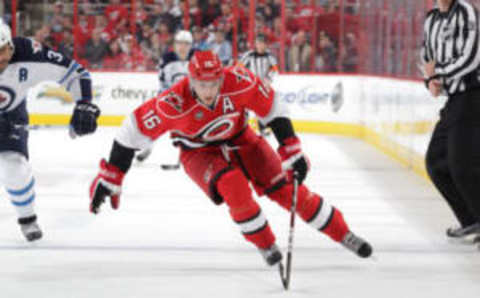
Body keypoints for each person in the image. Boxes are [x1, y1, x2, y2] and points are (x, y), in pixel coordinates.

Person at [89, 50, 372, 266]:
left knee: (288, 190)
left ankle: (343, 233)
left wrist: (291, 148)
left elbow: (272, 105)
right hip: (198, 152)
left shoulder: (239, 80)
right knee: (234, 186)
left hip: (243, 140)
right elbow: (131, 133)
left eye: (214, 83)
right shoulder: (172, 103)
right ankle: (265, 244)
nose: (209, 91)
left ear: (222, 76)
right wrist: (111, 178)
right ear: (191, 80)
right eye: (202, 84)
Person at [0, 22, 100, 241]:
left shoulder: (29, 53)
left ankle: (27, 218)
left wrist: (84, 104)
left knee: (13, 169)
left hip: (9, 118)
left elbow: (77, 73)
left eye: (2, 50)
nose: (0, 59)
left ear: (10, 44)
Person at [422, 0, 480, 240]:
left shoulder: (466, 11)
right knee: (436, 162)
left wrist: (439, 74)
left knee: (462, 166)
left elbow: (473, 57)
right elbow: (426, 57)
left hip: (473, 96)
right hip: (454, 100)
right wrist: (429, 80)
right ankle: (471, 221)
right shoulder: (431, 18)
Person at [136, 30, 195, 162]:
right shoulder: (167, 59)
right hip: (169, 97)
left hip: (190, 100)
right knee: (155, 123)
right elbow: (163, 81)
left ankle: (192, 154)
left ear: (190, 46)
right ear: (175, 45)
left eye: (186, 44)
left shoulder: (196, 60)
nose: (182, 47)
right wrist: (168, 98)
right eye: (180, 43)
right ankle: (147, 147)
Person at [239, 33, 279, 136]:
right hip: (250, 85)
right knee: (245, 107)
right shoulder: (249, 55)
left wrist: (269, 79)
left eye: (262, 43)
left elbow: (275, 69)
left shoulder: (270, 56)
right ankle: (242, 128)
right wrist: (245, 78)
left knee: (262, 107)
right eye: (258, 43)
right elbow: (239, 67)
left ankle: (262, 128)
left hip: (263, 86)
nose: (260, 45)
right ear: (255, 44)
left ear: (266, 45)